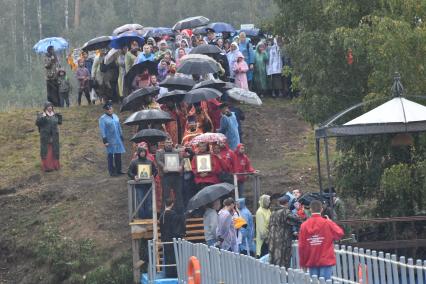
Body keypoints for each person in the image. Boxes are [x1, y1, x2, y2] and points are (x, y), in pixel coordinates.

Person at [299, 200, 344, 280]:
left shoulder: (304, 225)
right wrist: (330, 222)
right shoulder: (327, 223)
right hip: (326, 259)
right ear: (322, 209)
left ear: (310, 209)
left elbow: (302, 246)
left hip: (311, 259)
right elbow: (340, 233)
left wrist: (303, 263)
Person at [268, 194, 301, 268]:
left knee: (274, 264)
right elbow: (297, 220)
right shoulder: (285, 212)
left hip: (273, 242)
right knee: (283, 264)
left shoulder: (273, 213)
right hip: (283, 242)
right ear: (287, 203)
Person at [128, 146, 158, 218]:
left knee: (149, 202)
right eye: (141, 152)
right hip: (139, 185)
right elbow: (129, 172)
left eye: (144, 152)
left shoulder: (149, 161)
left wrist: (153, 176)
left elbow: (155, 171)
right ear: (138, 153)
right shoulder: (134, 162)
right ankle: (142, 218)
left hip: (148, 185)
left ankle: (150, 217)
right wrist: (134, 176)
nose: (142, 153)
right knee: (140, 201)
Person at [156, 137, 184, 212]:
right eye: (167, 143)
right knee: (165, 194)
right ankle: (163, 213)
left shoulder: (176, 151)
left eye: (170, 142)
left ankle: (180, 212)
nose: (168, 144)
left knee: (178, 194)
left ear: (172, 143)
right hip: (166, 176)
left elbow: (182, 160)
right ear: (164, 143)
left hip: (176, 175)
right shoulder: (160, 152)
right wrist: (163, 166)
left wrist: (181, 166)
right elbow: (158, 160)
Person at [159, 198, 185, 277]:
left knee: (167, 257)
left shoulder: (161, 215)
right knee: (173, 256)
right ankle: (174, 274)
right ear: (172, 204)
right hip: (172, 239)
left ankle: (168, 273)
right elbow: (176, 227)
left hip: (164, 239)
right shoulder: (173, 214)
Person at [98, 102, 126, 176]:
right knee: (111, 155)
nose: (109, 110)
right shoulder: (102, 119)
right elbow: (102, 130)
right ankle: (112, 172)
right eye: (108, 109)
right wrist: (105, 140)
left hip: (117, 138)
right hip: (110, 139)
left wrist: (121, 135)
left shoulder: (115, 116)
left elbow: (119, 126)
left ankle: (118, 170)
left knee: (118, 154)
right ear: (105, 110)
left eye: (110, 108)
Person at [36, 102, 62, 171]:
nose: (50, 108)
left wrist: (59, 116)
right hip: (45, 136)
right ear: (45, 108)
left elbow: (59, 122)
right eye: (48, 106)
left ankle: (55, 166)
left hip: (54, 136)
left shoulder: (54, 115)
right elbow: (38, 123)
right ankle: (47, 167)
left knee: (54, 151)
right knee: (46, 151)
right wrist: (43, 116)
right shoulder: (41, 115)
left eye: (51, 106)